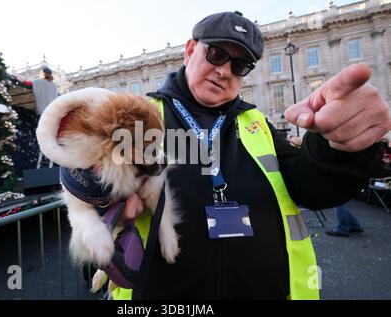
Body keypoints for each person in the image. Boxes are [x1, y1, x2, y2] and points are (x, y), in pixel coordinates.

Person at [90, 11, 390, 300]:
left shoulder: (256, 122)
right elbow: (88, 182)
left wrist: (338, 148)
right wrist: (93, 184)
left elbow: (311, 188)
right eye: (217, 54)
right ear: (190, 50)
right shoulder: (140, 117)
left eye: (240, 65)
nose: (224, 71)